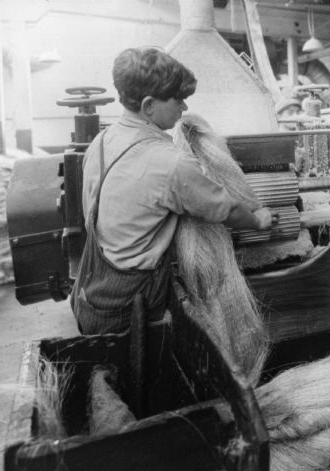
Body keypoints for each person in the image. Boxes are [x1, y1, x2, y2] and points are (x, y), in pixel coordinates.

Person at [71, 47, 277, 335]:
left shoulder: (101, 142)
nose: (184, 108)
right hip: (132, 308)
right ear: (148, 106)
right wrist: (258, 220)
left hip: (90, 294)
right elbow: (225, 209)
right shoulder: (169, 162)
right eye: (178, 100)